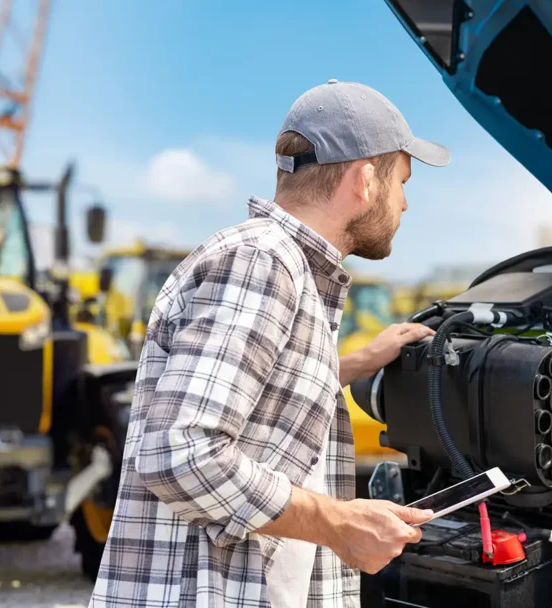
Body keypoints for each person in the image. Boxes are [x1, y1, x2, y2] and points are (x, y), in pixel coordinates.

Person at [89, 79, 451, 608]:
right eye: (402, 181)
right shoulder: (263, 262)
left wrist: (356, 362)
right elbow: (180, 452)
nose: (405, 203)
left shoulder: (281, 265)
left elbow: (257, 395)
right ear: (365, 180)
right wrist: (338, 523)